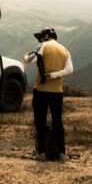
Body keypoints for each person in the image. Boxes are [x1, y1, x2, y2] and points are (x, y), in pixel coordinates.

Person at [24, 28, 74, 162]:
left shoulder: (43, 46)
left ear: (46, 36)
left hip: (41, 90)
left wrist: (25, 56)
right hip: (57, 92)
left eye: (41, 37)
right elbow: (69, 70)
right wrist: (53, 75)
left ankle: (41, 153)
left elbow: (30, 60)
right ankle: (62, 153)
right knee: (57, 122)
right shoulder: (65, 50)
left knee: (40, 122)